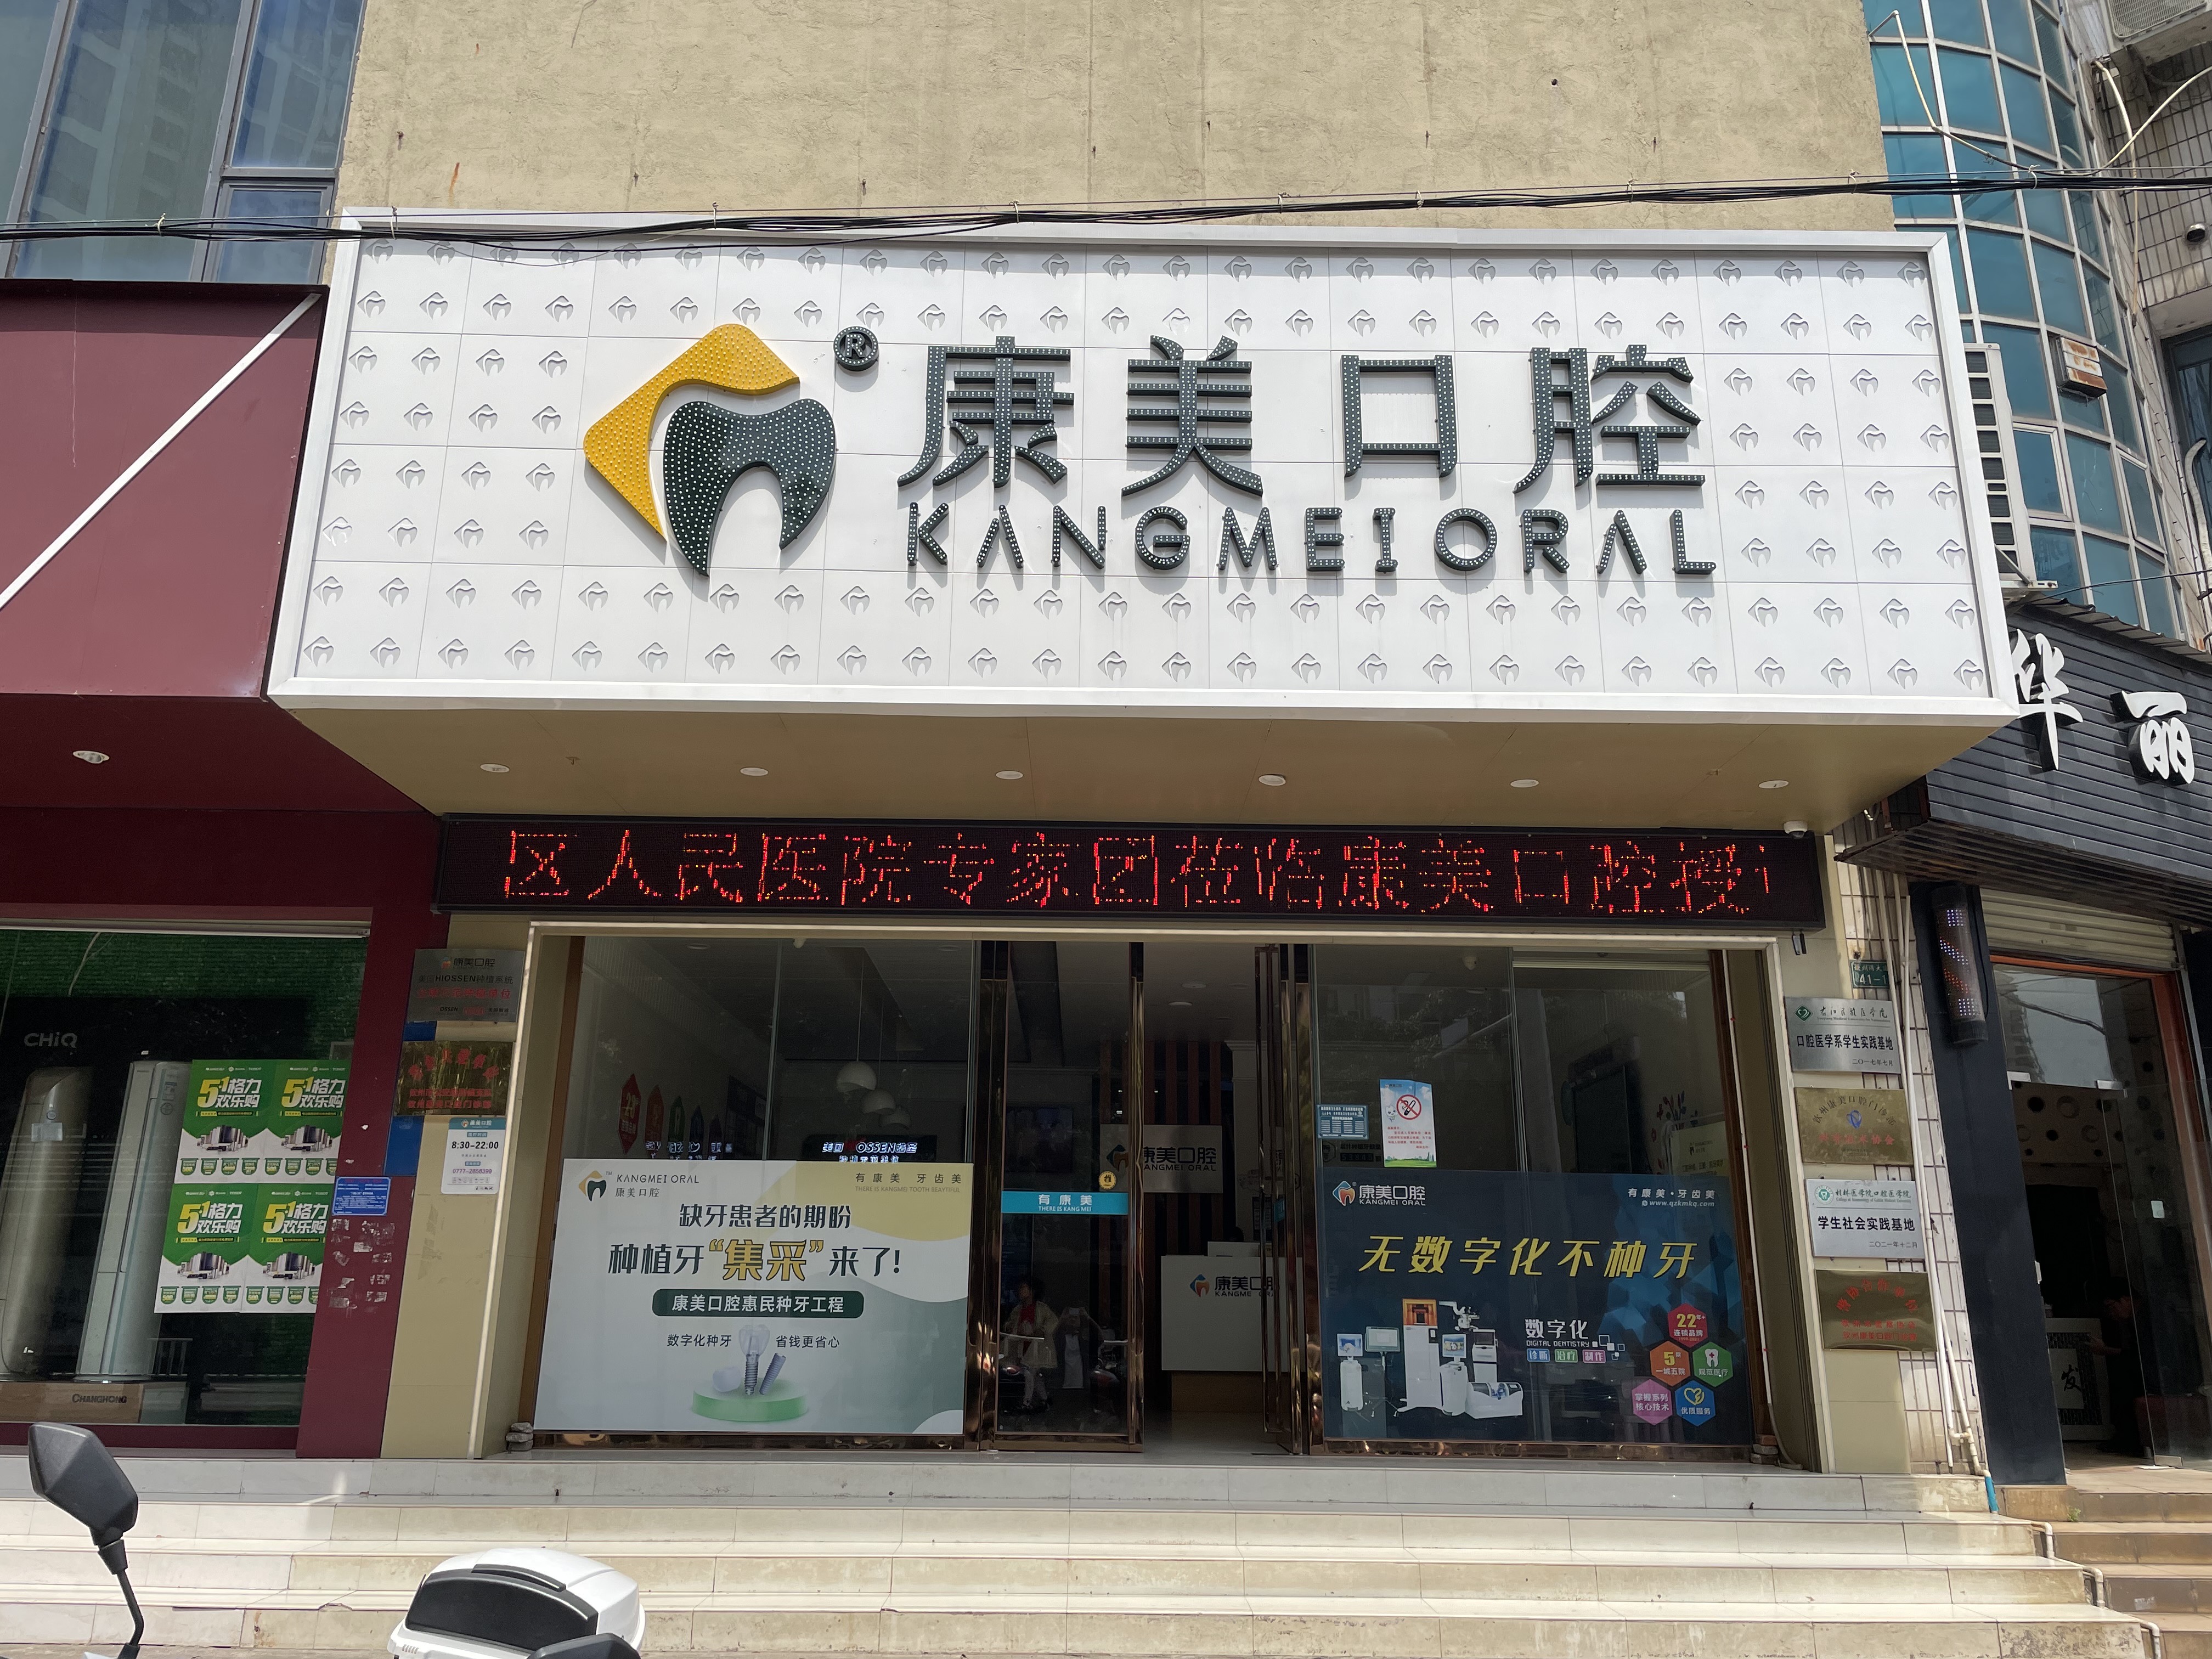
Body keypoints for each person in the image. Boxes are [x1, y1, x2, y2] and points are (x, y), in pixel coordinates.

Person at [1000, 1276, 1058, 1413]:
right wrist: (1010, 1327)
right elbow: (1009, 1324)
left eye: (1023, 1288)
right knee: (1034, 1376)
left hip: (1037, 1349)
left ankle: (1027, 1403)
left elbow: (1053, 1321)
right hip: (1023, 1348)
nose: (1020, 1291)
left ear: (1031, 1291)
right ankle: (1045, 1400)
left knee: (1029, 1373)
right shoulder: (1018, 1309)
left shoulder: (1041, 1308)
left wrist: (1041, 1330)